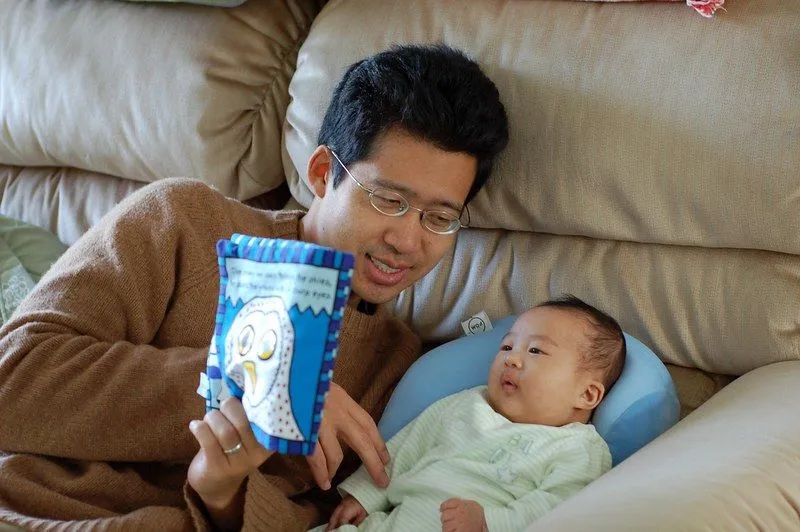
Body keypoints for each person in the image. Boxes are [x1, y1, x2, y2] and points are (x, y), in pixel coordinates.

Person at [0, 44, 508, 531]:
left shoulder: (395, 370)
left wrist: (221, 492)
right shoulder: (183, 220)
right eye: (386, 199)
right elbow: (14, 379)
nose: (407, 240)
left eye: (439, 217)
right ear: (322, 172)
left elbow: (322, 514)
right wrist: (267, 381)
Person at [320, 296, 626, 532]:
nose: (512, 360)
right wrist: (363, 496)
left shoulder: (577, 448)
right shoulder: (468, 403)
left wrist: (488, 522)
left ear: (587, 394)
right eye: (507, 346)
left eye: (535, 351)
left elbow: (559, 506)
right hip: (394, 519)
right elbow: (405, 448)